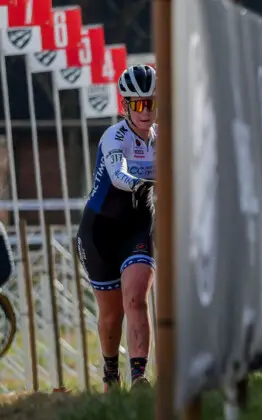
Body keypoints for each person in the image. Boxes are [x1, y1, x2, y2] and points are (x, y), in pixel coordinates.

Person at [75, 64, 157, 391]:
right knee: (111, 317)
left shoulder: (161, 137)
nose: (146, 110)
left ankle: (139, 377)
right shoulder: (115, 136)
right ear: (125, 106)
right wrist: (149, 182)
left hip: (138, 228)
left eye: (151, 102)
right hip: (100, 232)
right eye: (138, 104)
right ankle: (111, 374)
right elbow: (120, 176)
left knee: (136, 297)